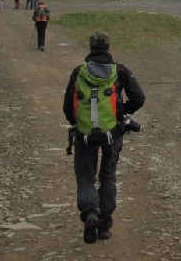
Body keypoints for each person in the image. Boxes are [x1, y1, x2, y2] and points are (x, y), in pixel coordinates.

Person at [63, 32, 145, 244]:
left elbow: (67, 107)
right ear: (109, 47)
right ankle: (104, 225)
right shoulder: (120, 71)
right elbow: (139, 98)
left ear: (90, 48)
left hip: (85, 134)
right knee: (107, 176)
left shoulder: (79, 72)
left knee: (85, 177)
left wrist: (78, 123)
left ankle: (90, 212)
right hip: (113, 132)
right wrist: (121, 113)